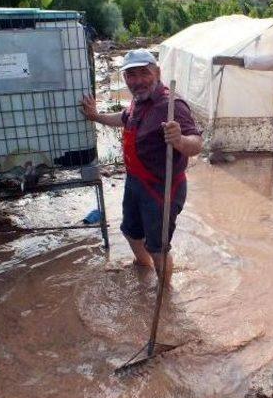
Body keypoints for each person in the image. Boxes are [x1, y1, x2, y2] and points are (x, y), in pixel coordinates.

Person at [80, 49, 203, 285]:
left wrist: (179, 140)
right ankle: (143, 266)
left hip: (162, 190)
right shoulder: (138, 101)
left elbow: (196, 144)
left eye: (143, 73)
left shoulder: (172, 106)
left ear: (157, 72)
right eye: (131, 75)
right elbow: (123, 118)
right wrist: (96, 116)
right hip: (136, 183)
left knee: (158, 247)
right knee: (130, 232)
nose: (137, 81)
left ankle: (165, 294)